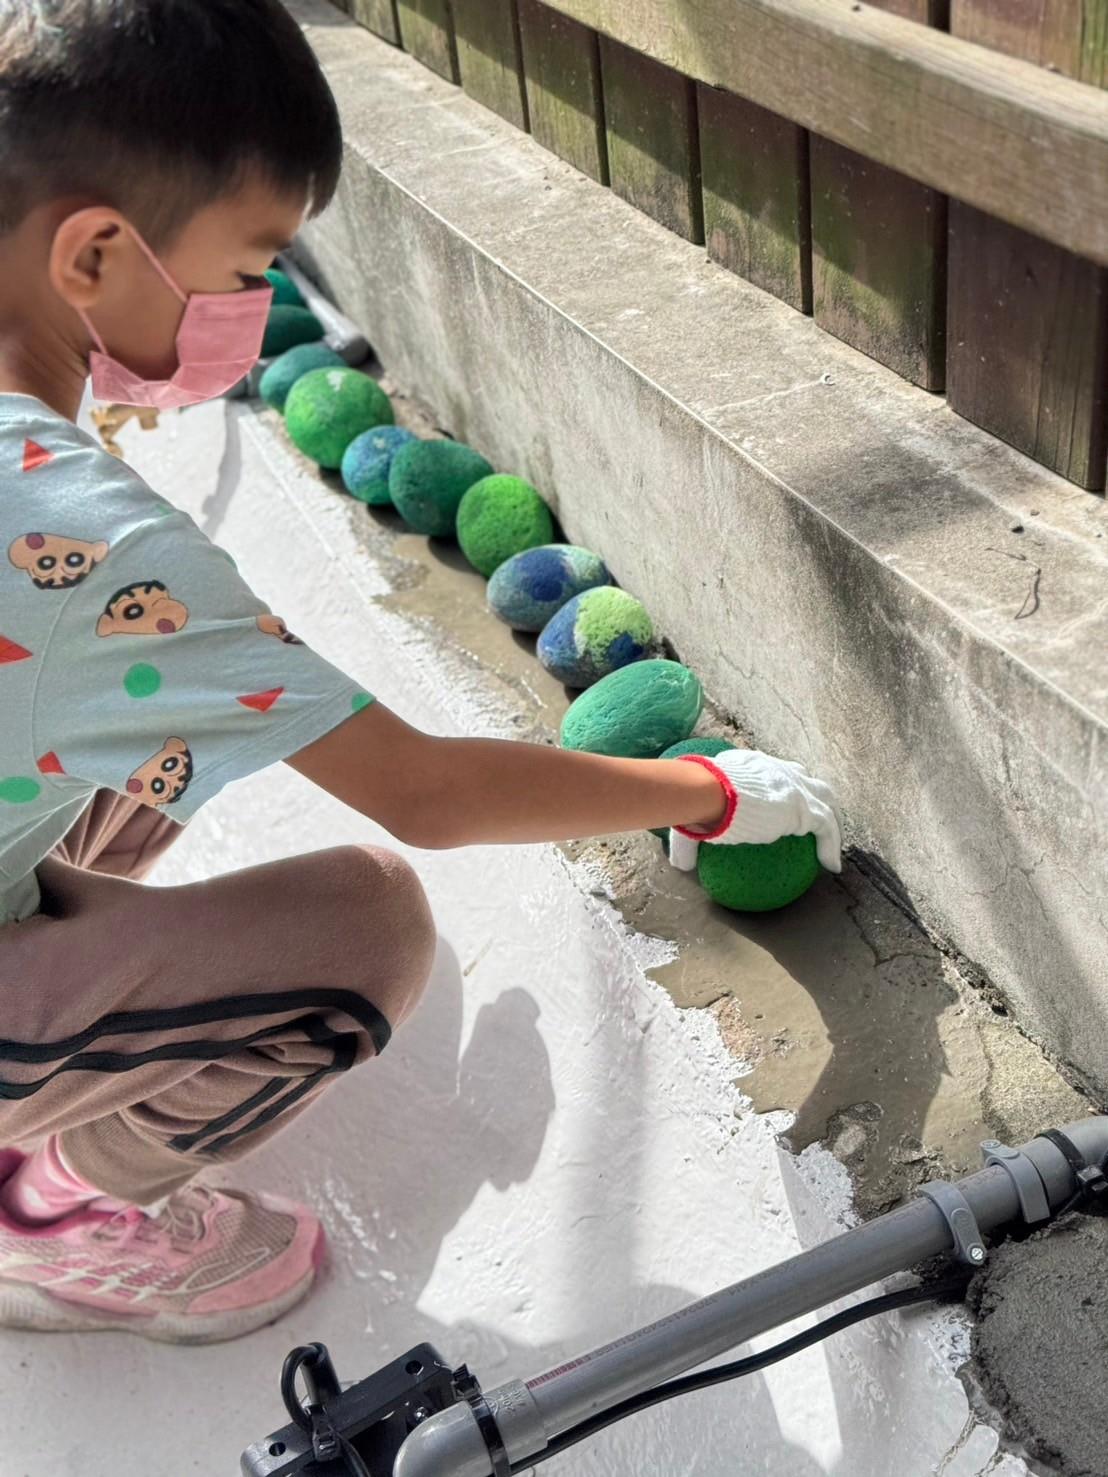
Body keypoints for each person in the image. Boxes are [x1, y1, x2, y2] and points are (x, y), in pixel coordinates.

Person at [0, 0, 842, 1345]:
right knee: (368, 932)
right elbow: (429, 795)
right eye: (246, 265)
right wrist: (706, 793)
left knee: (171, 727)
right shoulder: (80, 538)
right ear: (95, 252)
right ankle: (55, 1214)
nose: (254, 306)